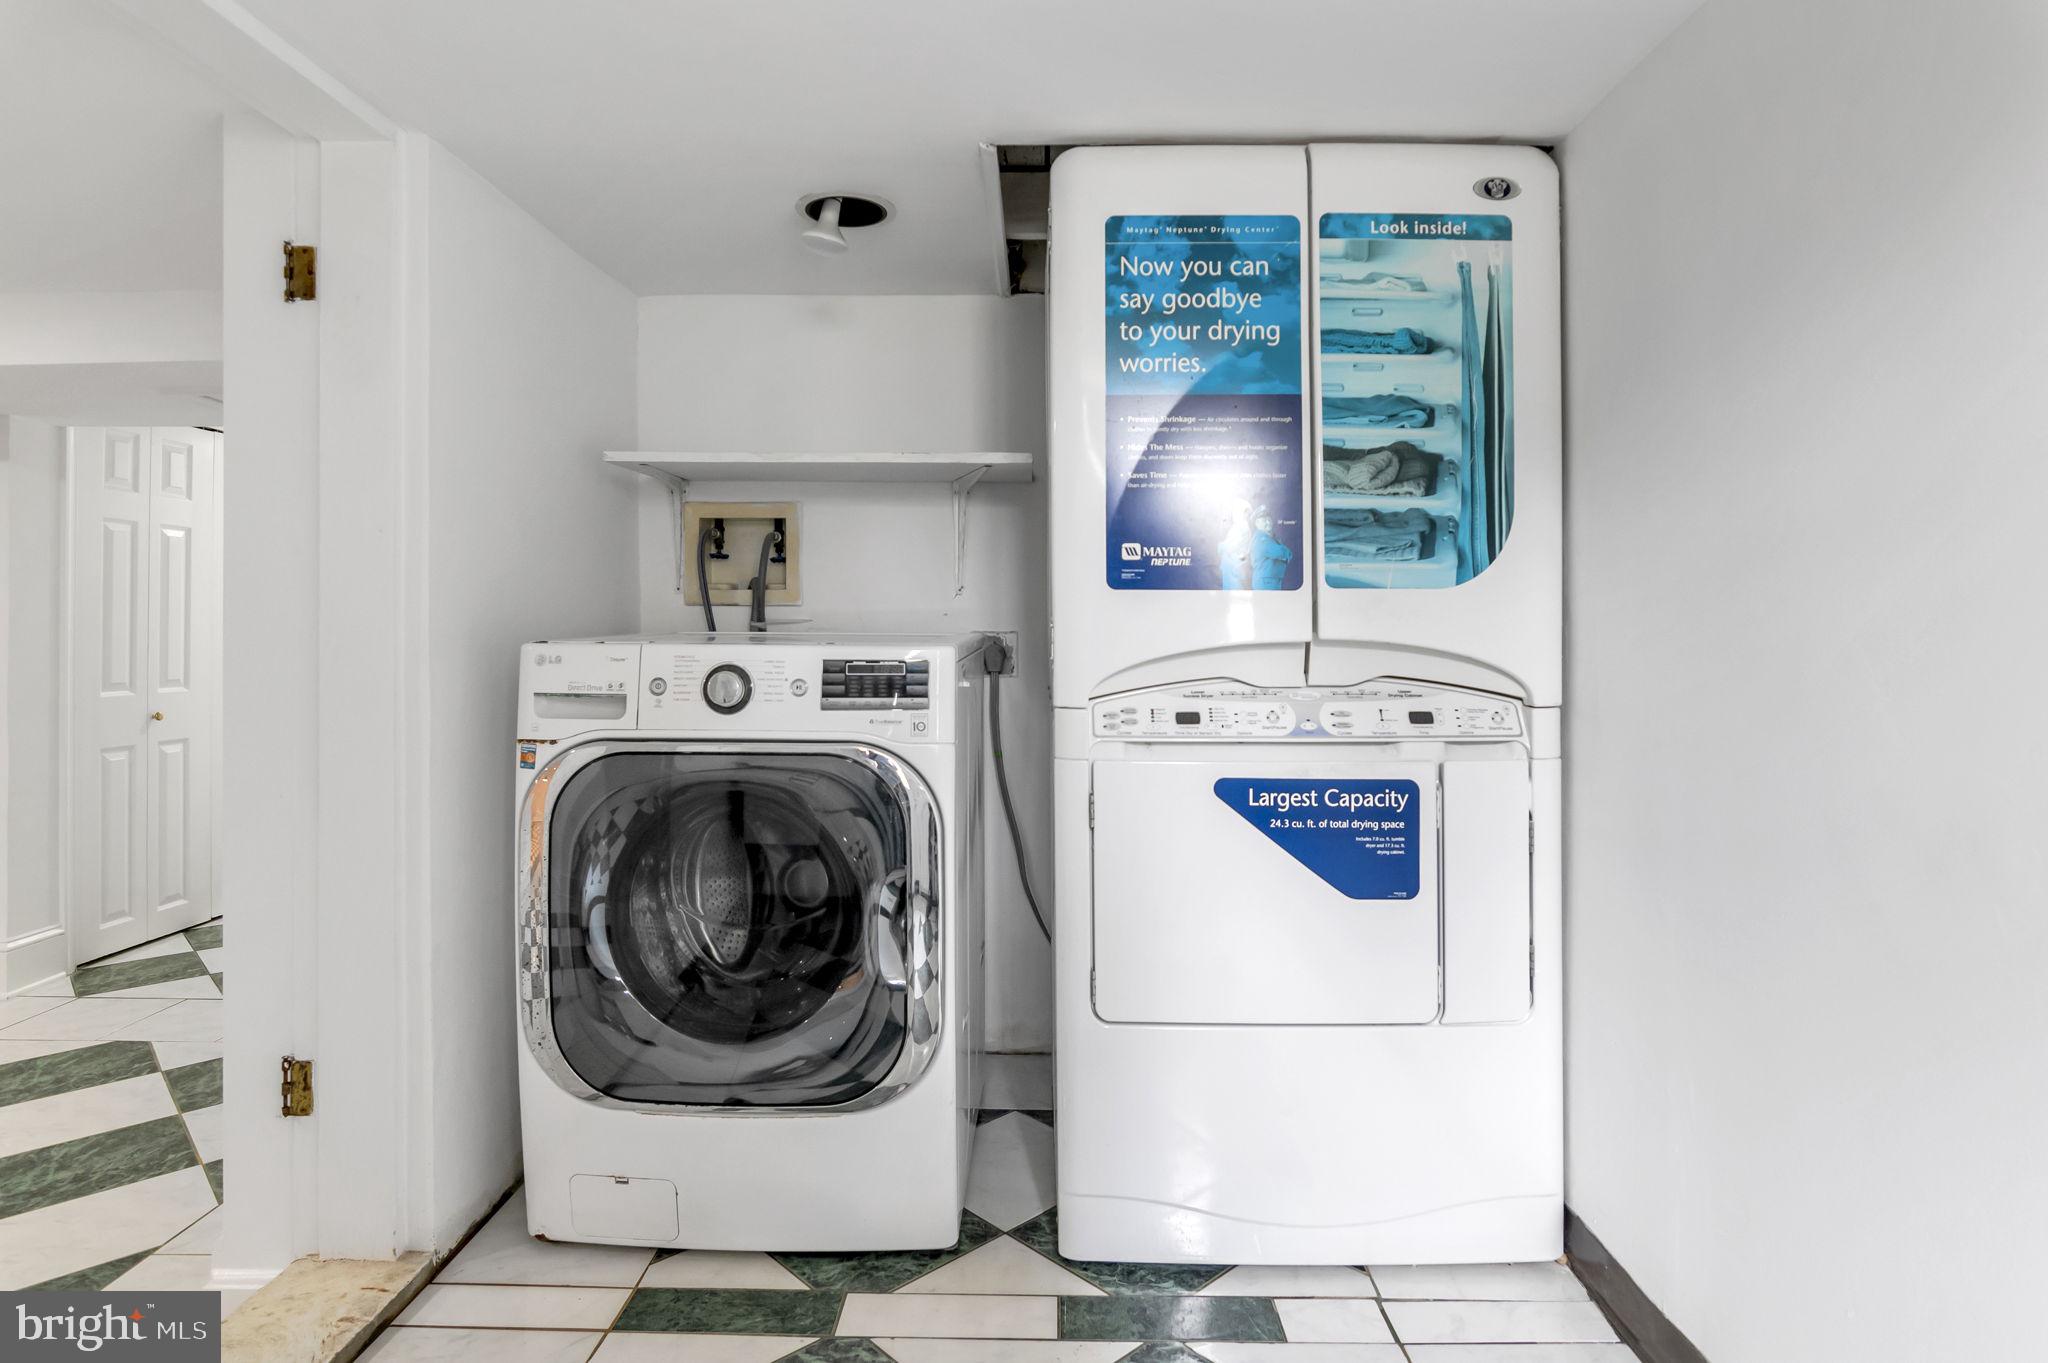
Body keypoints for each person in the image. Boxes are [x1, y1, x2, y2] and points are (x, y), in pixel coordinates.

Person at [1250, 505, 1294, 590]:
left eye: (1269, 519)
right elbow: (1281, 552)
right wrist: (1285, 554)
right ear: (1256, 523)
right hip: (1266, 583)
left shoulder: (1270, 538)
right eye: (1264, 520)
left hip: (1270, 581)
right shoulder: (1261, 540)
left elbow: (1285, 554)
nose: (1268, 522)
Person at [1216, 502, 1253, 589]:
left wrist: (1221, 546)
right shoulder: (1237, 527)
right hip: (1232, 567)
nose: (1234, 514)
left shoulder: (1242, 526)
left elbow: (1231, 547)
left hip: (1234, 567)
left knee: (1234, 593)